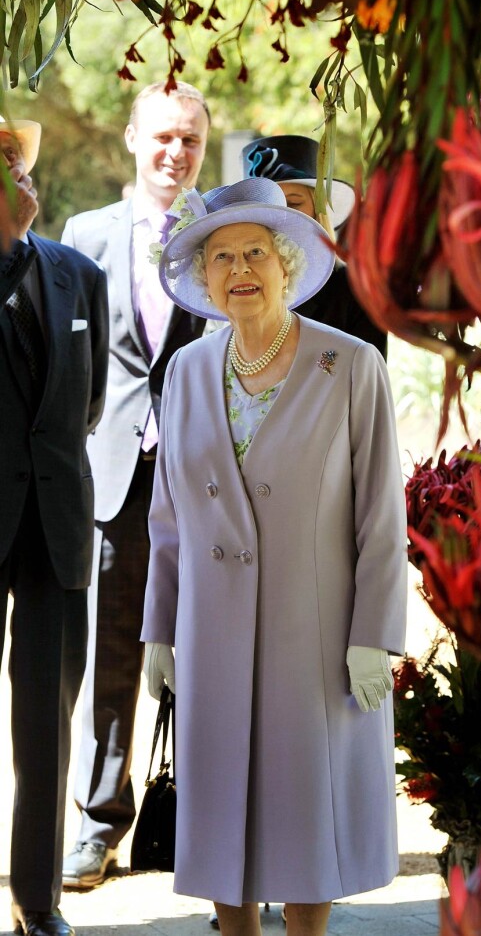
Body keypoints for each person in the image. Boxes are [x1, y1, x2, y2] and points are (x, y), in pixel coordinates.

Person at [140, 178, 407, 936]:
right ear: (203, 278)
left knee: (301, 818)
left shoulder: (351, 366)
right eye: (220, 256)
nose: (239, 269)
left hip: (314, 636)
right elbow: (168, 520)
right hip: (212, 635)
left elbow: (381, 517)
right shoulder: (188, 371)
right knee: (223, 811)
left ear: (288, 262)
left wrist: (373, 636)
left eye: (256, 250)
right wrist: (159, 630)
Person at [60, 81, 211, 890]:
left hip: (205, 482)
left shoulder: (224, 237)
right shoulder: (84, 235)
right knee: (110, 654)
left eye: (188, 139)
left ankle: (207, 819)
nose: (174, 153)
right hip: (113, 481)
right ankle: (97, 823)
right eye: (160, 138)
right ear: (130, 138)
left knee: (213, 654)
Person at [0, 116, 108, 936]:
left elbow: (90, 400)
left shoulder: (78, 275)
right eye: (0, 163)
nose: (17, 173)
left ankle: (39, 904)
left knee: (47, 721)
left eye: (18, 160)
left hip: (57, 524)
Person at [241, 133, 386, 354]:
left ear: (317, 211)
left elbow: (369, 382)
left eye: (293, 203)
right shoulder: (234, 286)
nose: (282, 216)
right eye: (268, 206)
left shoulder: (357, 289)